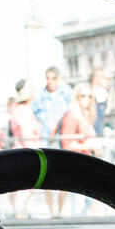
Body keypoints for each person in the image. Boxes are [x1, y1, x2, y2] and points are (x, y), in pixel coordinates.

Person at [32, 67, 72, 216]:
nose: (50, 81)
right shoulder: (40, 96)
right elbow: (35, 112)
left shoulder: (65, 93)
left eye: (53, 78)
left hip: (62, 139)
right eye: (47, 78)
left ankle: (60, 211)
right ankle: (51, 212)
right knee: (48, 176)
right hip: (47, 139)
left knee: (64, 175)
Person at [58, 83, 98, 216]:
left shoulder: (87, 115)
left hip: (87, 161)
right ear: (77, 97)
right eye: (83, 96)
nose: (87, 99)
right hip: (75, 162)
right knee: (79, 201)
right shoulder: (71, 116)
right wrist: (86, 146)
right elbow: (67, 143)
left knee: (88, 199)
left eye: (90, 96)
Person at [6, 79, 41, 218]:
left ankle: (19, 213)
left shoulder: (17, 109)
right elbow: (26, 136)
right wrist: (35, 154)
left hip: (20, 151)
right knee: (24, 188)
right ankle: (20, 215)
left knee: (20, 188)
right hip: (27, 152)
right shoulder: (24, 111)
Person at [90, 66, 111, 134]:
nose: (109, 81)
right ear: (98, 79)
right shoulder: (100, 94)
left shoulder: (95, 94)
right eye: (106, 78)